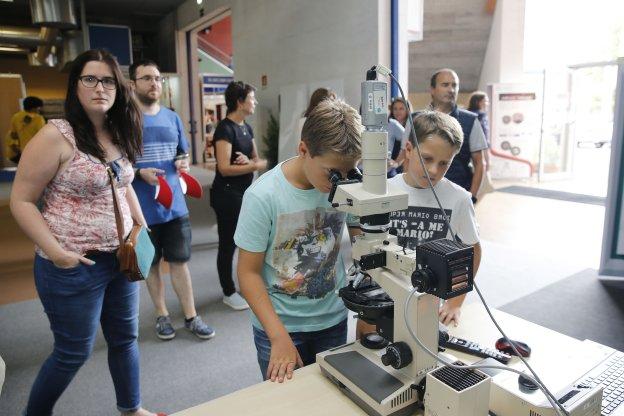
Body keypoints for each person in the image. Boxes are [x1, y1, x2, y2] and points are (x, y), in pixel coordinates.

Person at [10, 49, 165, 416]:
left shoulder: (120, 130)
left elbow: (123, 182)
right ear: (75, 86)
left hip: (121, 259)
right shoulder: (56, 136)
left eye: (108, 80)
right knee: (72, 351)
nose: (100, 88)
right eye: (90, 79)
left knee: (125, 339)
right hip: (72, 265)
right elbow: (21, 201)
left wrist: (141, 226)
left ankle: (131, 409)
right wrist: (57, 252)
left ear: (119, 87)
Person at [235, 98, 362, 382]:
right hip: (279, 325)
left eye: (349, 172)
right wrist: (278, 336)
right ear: (303, 149)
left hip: (333, 320)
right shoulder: (263, 196)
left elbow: (363, 245)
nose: (341, 182)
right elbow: (247, 272)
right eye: (333, 173)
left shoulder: (345, 188)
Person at [129, 59, 214, 341]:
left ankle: (191, 316)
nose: (154, 83)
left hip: (175, 206)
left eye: (157, 78)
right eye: (147, 78)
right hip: (141, 210)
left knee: (180, 262)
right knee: (151, 265)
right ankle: (162, 315)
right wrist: (140, 173)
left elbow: (182, 153)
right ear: (133, 84)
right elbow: (118, 165)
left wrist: (183, 163)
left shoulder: (172, 117)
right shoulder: (126, 121)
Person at [388, 111, 482, 327]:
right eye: (427, 159)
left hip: (429, 304)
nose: (433, 170)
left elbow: (473, 249)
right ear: (409, 149)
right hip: (385, 299)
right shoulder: (385, 190)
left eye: (443, 163)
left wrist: (456, 301)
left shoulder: (459, 198)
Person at [211, 81, 267, 310]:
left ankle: (248, 285)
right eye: (252, 98)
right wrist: (251, 166)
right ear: (240, 102)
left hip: (245, 194)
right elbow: (224, 168)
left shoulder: (246, 127)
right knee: (228, 244)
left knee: (248, 241)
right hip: (226, 195)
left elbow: (259, 160)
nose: (255, 102)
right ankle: (228, 291)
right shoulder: (225, 129)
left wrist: (251, 162)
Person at [427, 68, 488, 204]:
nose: (451, 89)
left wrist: (471, 197)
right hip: (423, 196)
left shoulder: (471, 121)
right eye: (445, 85)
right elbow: (407, 160)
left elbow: (479, 163)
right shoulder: (416, 120)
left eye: (454, 85)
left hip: (458, 197)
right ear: (432, 89)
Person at [5, 96, 46, 164]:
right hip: (36, 150)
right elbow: (43, 135)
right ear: (33, 108)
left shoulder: (16, 117)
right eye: (39, 107)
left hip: (23, 151)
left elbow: (13, 135)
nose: (40, 109)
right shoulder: (39, 118)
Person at [388, 97, 412, 173]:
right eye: (395, 109)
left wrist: (396, 163)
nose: (398, 111)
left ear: (407, 110)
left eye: (401, 109)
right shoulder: (389, 125)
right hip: (389, 166)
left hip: (403, 167)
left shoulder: (411, 128)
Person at [468, 91, 491, 169]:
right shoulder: (481, 116)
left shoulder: (467, 115)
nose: (488, 103)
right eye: (486, 101)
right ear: (479, 102)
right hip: (479, 151)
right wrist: (487, 160)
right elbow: (483, 138)